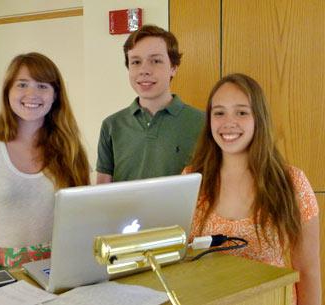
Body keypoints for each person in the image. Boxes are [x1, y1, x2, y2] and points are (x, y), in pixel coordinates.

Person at [184, 73, 321, 305]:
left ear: (259, 118)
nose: (229, 122)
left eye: (241, 112)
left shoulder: (292, 182)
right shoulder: (190, 180)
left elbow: (307, 272)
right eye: (219, 113)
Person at [0, 52, 90, 274]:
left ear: (55, 95)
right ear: (8, 91)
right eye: (22, 84)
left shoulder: (71, 149)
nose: (32, 93)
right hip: (0, 272)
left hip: (60, 269)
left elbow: (82, 219)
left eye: (42, 86)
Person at [96, 24, 204, 183]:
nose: (144, 70)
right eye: (136, 62)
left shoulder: (203, 123)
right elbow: (102, 190)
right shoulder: (111, 125)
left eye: (155, 61)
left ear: (173, 68)